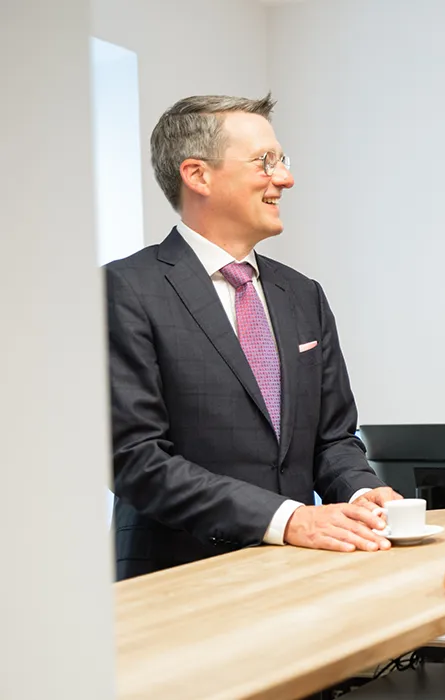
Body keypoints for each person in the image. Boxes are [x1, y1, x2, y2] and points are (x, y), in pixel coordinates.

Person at [106, 94, 401, 581]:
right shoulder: (125, 289)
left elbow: (333, 438)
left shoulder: (302, 294)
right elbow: (135, 459)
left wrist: (361, 492)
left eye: (283, 161)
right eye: (266, 161)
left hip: (297, 575)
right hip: (177, 580)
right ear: (197, 175)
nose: (285, 178)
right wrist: (287, 519)